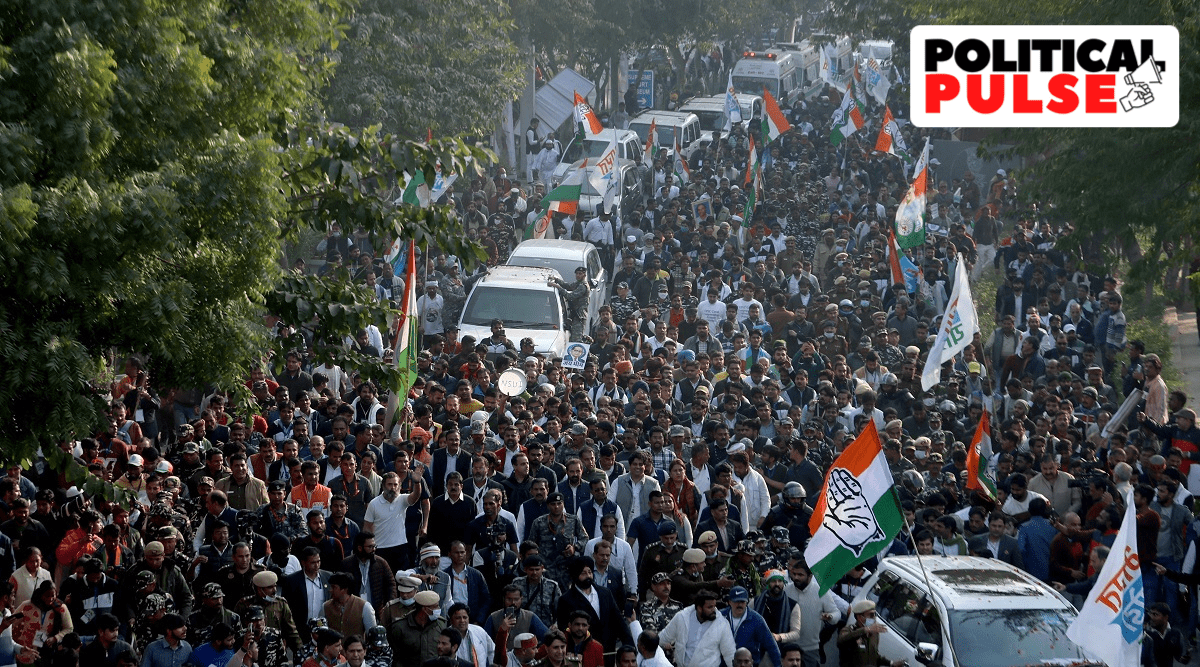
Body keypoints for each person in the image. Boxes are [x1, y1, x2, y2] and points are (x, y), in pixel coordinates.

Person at [658, 590, 736, 667]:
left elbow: (729, 653)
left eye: (714, 606)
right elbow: (663, 638)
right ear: (699, 608)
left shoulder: (722, 624)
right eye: (710, 607)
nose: (714, 610)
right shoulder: (682, 618)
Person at [837, 600, 904, 667]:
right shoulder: (850, 630)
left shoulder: (874, 634)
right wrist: (865, 630)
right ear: (860, 617)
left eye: (875, 614)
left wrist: (891, 663)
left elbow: (874, 656)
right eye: (871, 615)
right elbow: (841, 640)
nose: (874, 618)